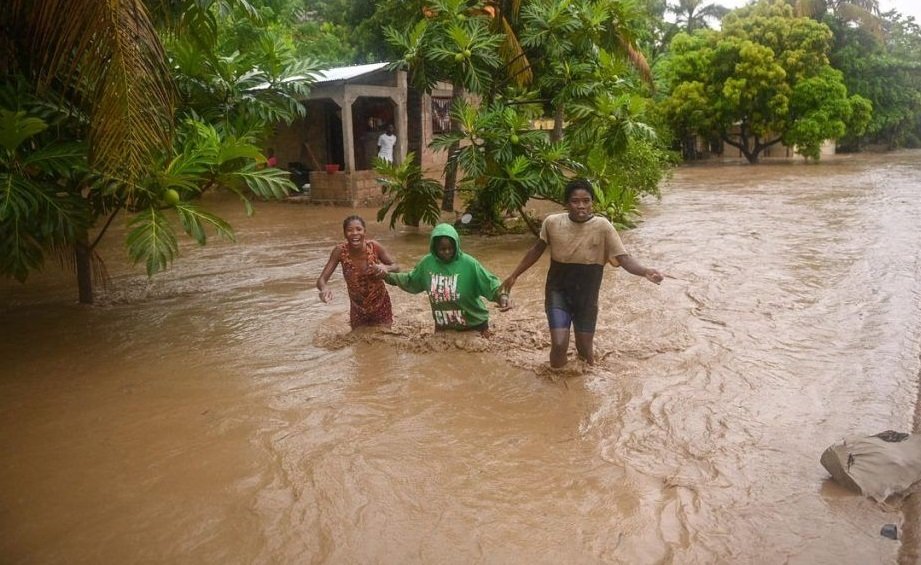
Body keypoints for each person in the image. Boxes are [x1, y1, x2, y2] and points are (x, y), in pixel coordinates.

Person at [502, 179, 664, 368]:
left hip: (587, 297)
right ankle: (557, 391)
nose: (581, 206)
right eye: (575, 201)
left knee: (585, 350)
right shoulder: (552, 223)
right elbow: (536, 250)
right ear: (566, 203)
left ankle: (584, 391)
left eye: (586, 201)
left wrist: (645, 271)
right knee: (559, 344)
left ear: (592, 202)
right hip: (558, 292)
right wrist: (514, 275)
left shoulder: (603, 227)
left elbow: (624, 259)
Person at [385, 223, 510, 336]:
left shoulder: (470, 264)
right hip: (443, 327)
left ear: (456, 245)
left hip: (474, 326)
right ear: (434, 248)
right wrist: (386, 276)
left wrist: (502, 297)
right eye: (442, 249)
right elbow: (410, 280)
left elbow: (489, 282)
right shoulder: (426, 264)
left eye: (450, 248)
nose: (447, 252)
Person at [316, 216, 399, 329]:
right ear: (345, 234)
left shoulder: (374, 247)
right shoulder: (340, 251)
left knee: (385, 339)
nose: (355, 233)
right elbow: (321, 280)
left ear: (364, 231)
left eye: (359, 229)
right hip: (357, 309)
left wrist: (385, 268)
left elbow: (396, 267)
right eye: (350, 230)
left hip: (381, 304)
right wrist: (324, 289)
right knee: (357, 343)